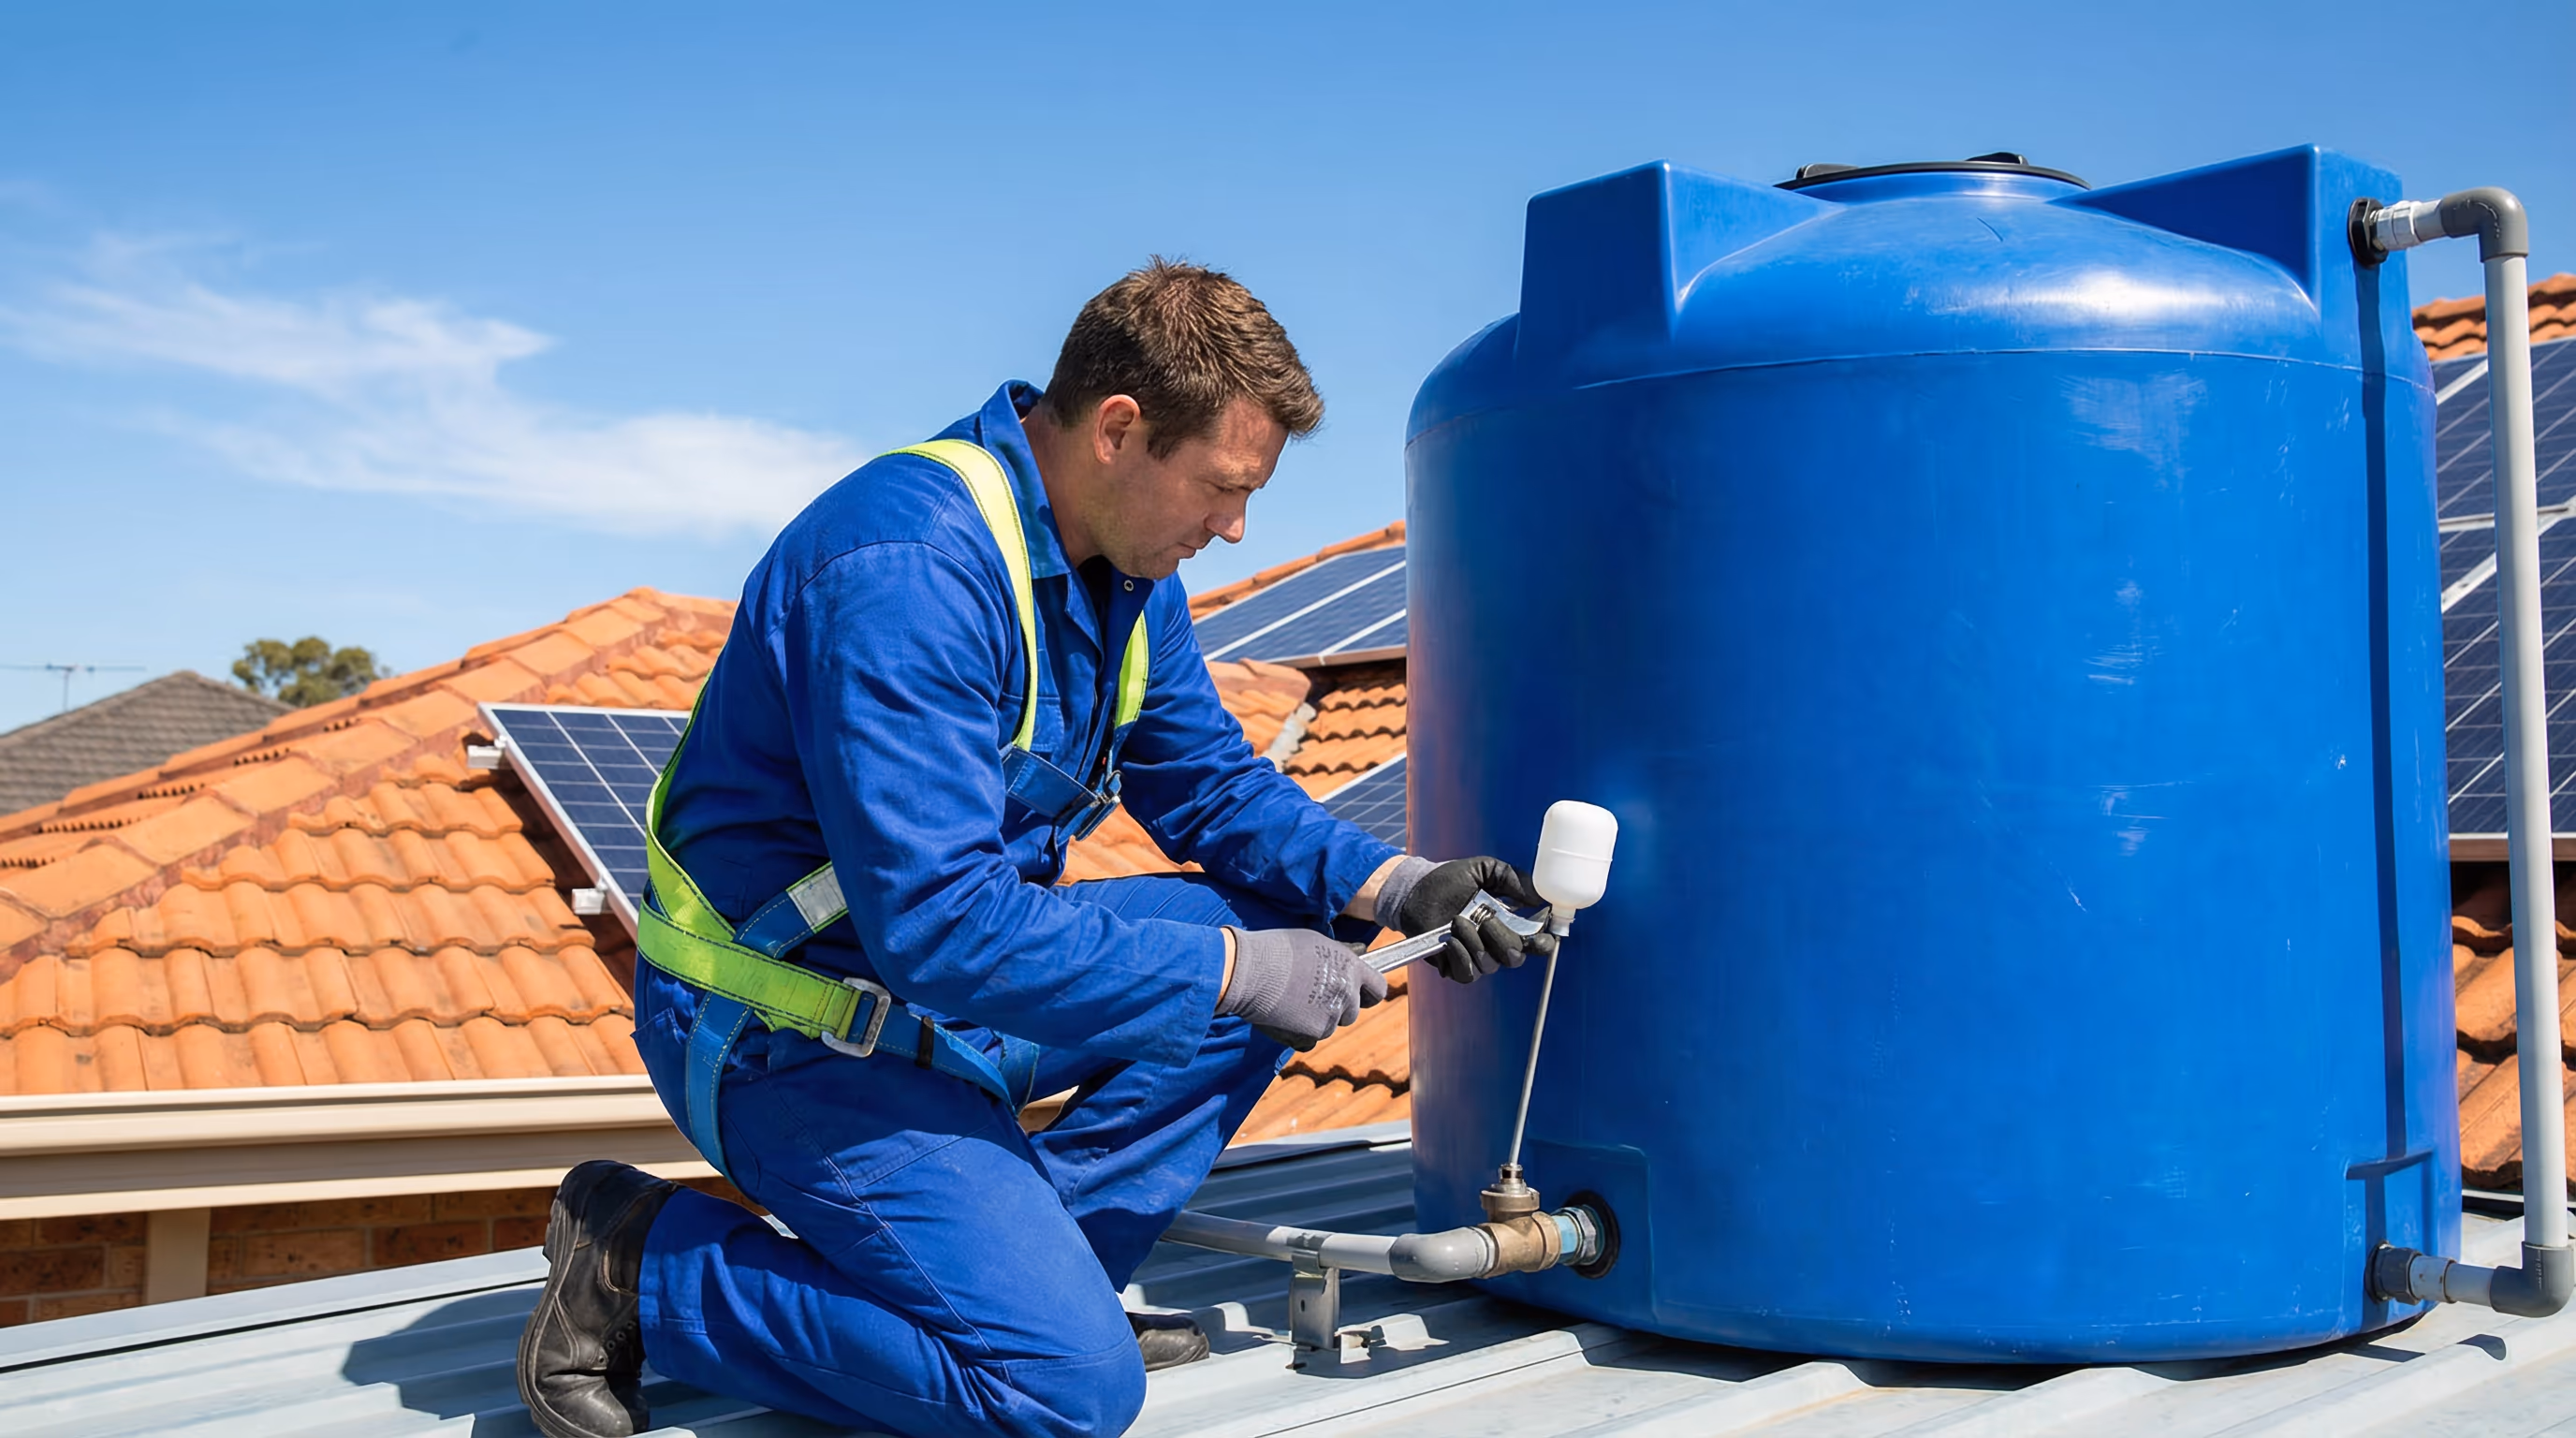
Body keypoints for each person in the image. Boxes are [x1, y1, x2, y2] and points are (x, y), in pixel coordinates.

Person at [515, 260, 1552, 1438]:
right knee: (1060, 1394)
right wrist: (1236, 974)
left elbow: (1207, 783)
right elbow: (940, 926)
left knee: (1275, 944)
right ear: (1120, 428)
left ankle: (1041, 1278)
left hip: (940, 1000)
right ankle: (646, 1263)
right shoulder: (906, 572)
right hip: (794, 1032)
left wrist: (1399, 883)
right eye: (1220, 487)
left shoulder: (1123, 566)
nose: (1236, 527)